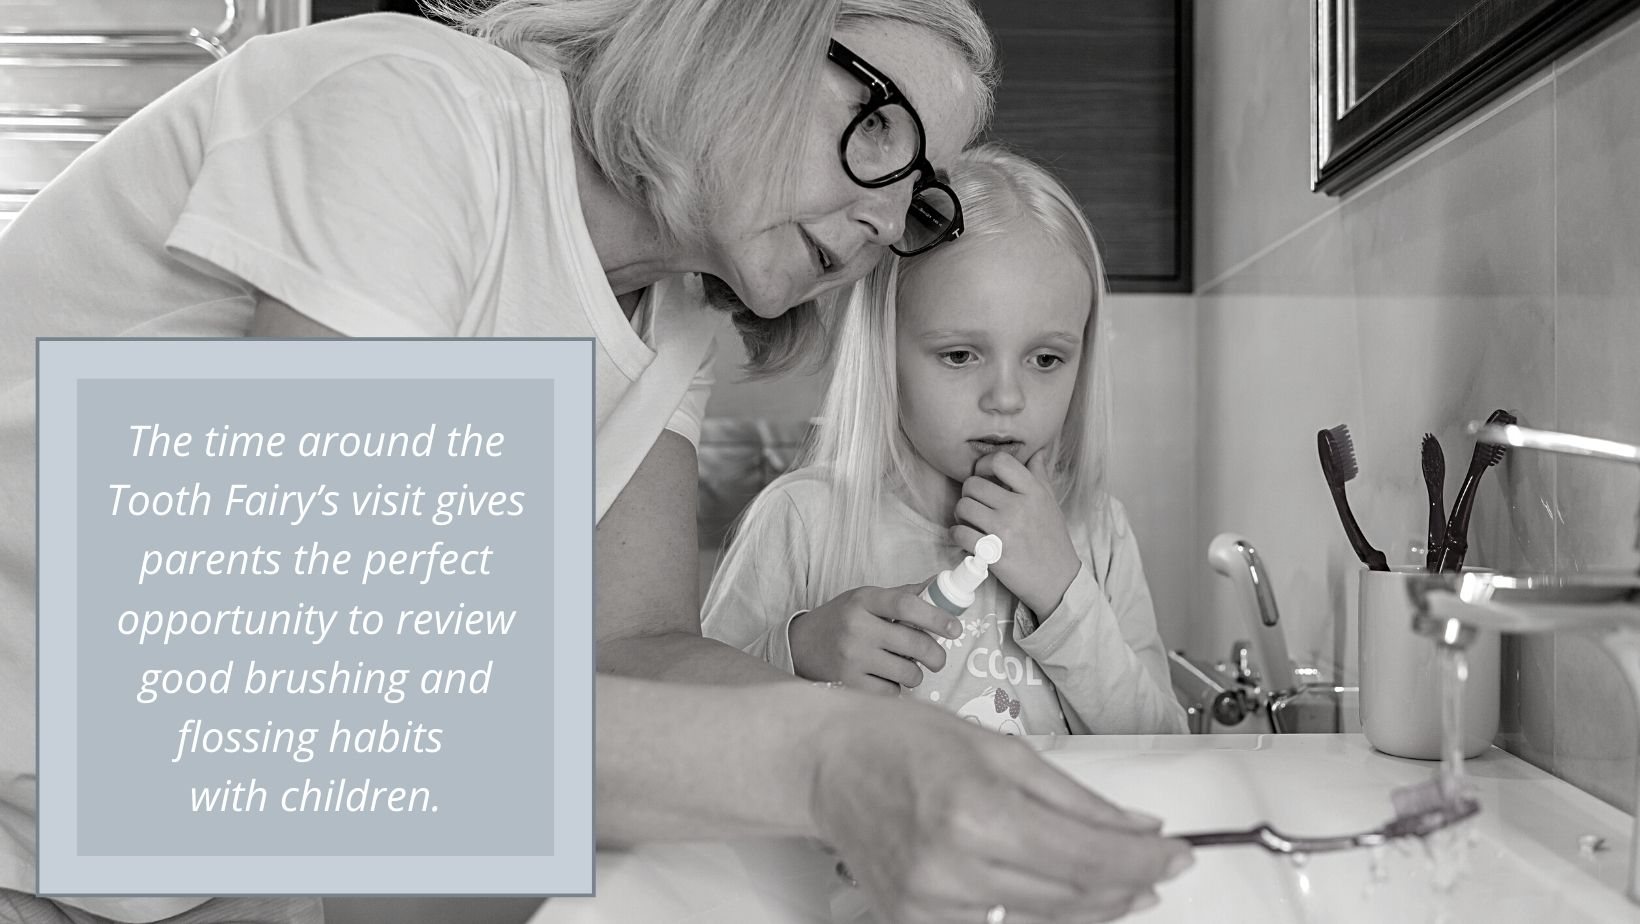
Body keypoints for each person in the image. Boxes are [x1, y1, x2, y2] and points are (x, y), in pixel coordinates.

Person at [0, 2, 1190, 922]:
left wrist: (925, 749)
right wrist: (830, 757)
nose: (887, 223)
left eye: (920, 193)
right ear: (738, 31)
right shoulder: (412, 115)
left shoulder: (668, 318)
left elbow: (631, 648)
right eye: (879, 128)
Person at [703, 145, 1188, 736]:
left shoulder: (1096, 531)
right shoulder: (803, 522)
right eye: (960, 355)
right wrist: (797, 649)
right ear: (885, 352)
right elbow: (694, 728)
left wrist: (1065, 594)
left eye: (1045, 358)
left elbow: (1163, 746)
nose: (1006, 398)